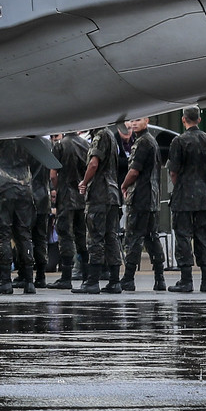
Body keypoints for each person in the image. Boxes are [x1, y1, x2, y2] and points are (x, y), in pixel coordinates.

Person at [0, 137, 44, 294]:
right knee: (24, 234)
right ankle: (29, 281)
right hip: (24, 186)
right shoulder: (28, 135)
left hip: (2, 187)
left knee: (2, 234)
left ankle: (5, 280)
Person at [167, 108, 206, 292]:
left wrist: (179, 185)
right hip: (205, 194)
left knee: (183, 236)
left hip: (184, 195)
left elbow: (173, 170)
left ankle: (186, 279)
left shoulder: (179, 141)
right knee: (204, 236)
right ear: (199, 119)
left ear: (183, 120)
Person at [118, 118, 165, 292]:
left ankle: (129, 277)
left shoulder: (143, 142)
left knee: (134, 237)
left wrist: (124, 185)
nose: (134, 124)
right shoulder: (151, 141)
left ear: (147, 120)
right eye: (132, 121)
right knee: (152, 237)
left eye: (138, 120)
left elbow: (135, 170)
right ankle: (159, 278)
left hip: (141, 196)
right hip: (151, 197)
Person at [76, 125, 124, 294]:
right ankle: (115, 280)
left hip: (99, 193)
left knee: (95, 237)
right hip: (112, 194)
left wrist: (84, 181)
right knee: (111, 237)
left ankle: (93, 280)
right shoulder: (111, 136)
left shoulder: (99, 136)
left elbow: (94, 163)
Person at [49, 133, 88, 290]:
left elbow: (53, 174)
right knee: (81, 235)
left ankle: (66, 276)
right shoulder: (85, 144)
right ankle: (87, 275)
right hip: (80, 195)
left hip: (66, 195)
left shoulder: (60, 145)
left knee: (65, 235)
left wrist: (58, 188)